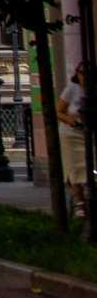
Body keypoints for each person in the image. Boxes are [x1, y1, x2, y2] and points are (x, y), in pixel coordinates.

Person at [60, 61, 90, 216]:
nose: (84, 76)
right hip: (71, 134)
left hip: (89, 134)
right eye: (82, 73)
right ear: (77, 74)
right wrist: (69, 120)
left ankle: (90, 198)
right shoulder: (72, 89)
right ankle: (79, 203)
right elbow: (58, 111)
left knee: (92, 168)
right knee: (73, 168)